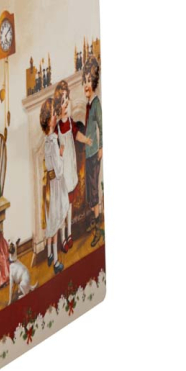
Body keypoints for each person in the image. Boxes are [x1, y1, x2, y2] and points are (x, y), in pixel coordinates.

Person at [53, 80, 92, 252]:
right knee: (63, 208)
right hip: (62, 173)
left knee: (69, 206)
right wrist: (58, 151)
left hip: (70, 171)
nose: (66, 103)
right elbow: (53, 150)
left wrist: (87, 140)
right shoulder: (57, 128)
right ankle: (62, 237)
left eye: (66, 98)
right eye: (62, 101)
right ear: (58, 106)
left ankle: (69, 233)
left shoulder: (70, 122)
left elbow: (77, 135)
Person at [40, 98, 67, 274]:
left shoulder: (46, 141)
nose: (56, 116)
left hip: (49, 186)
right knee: (55, 223)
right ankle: (56, 261)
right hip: (55, 186)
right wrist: (62, 154)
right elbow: (58, 169)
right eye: (53, 115)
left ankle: (49, 253)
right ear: (48, 120)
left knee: (50, 220)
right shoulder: (53, 141)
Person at [83, 57, 104, 247]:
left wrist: (101, 147)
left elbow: (102, 126)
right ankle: (93, 221)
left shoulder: (96, 104)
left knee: (95, 192)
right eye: (84, 81)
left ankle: (98, 228)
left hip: (94, 153)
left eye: (89, 81)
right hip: (87, 153)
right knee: (90, 191)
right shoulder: (88, 104)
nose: (86, 85)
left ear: (95, 82)